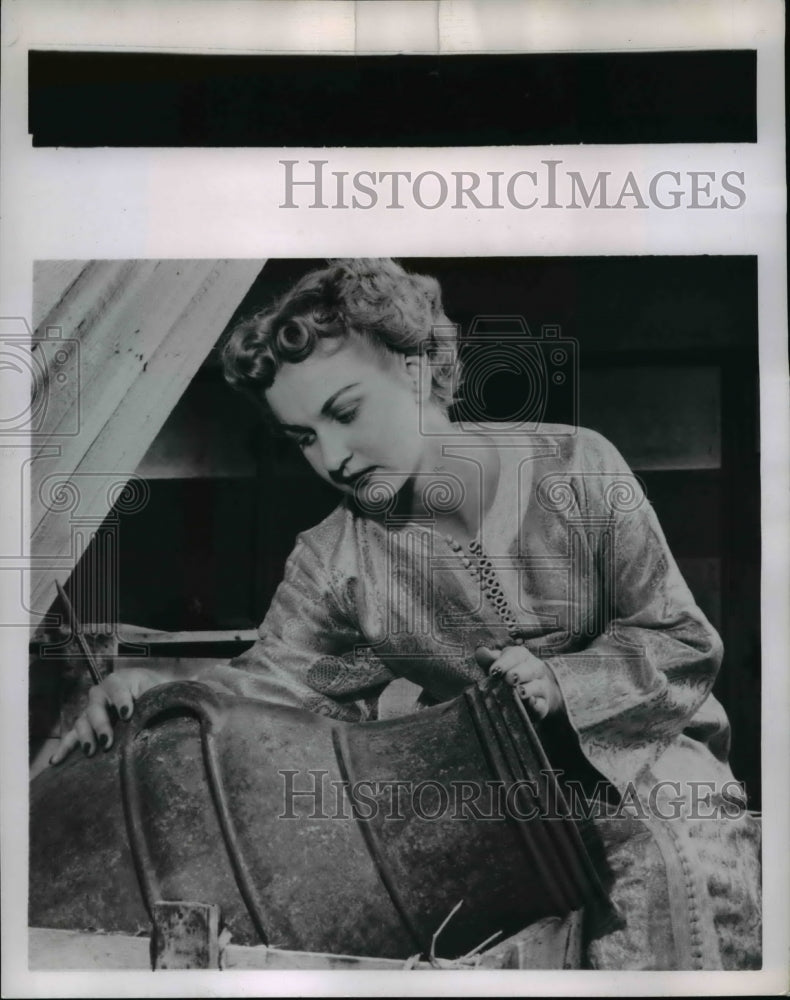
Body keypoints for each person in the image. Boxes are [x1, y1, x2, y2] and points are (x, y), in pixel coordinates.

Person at [50, 258, 760, 970]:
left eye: (345, 412)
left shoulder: (578, 467)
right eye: (302, 438)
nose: (331, 457)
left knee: (677, 861)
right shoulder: (333, 558)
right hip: (479, 787)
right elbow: (273, 689)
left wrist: (560, 682)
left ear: (418, 373)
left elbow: (681, 638)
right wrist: (148, 687)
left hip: (646, 752)